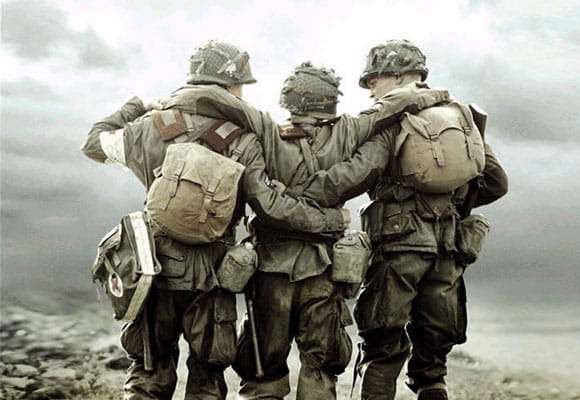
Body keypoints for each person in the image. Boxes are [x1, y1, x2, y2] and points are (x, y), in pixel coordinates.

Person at [80, 40, 350, 400]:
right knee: (207, 378)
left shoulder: (148, 128)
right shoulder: (244, 139)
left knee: (148, 373)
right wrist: (330, 219)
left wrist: (138, 105)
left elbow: (93, 144)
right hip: (214, 273)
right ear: (232, 84)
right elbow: (270, 207)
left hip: (154, 267)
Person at [181, 61, 452, 400]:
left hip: (270, 271)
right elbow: (387, 119)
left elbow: (224, 109)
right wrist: (434, 95)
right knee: (320, 369)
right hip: (324, 271)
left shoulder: (264, 131)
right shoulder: (350, 130)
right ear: (331, 100)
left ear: (290, 99)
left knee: (262, 374)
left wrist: (172, 100)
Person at [285, 40, 509, 400]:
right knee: (433, 359)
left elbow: (353, 176)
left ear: (400, 77)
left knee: (383, 344)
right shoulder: (461, 116)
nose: (371, 89)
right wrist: (450, 205)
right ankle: (432, 385)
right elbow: (497, 182)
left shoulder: (394, 121)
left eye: (374, 80)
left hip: (399, 247)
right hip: (449, 248)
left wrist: (296, 192)